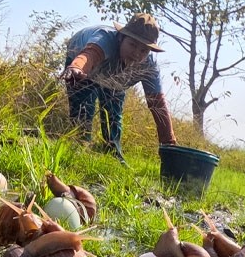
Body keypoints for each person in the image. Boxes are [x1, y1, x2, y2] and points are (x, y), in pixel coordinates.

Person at [61, 12, 177, 162]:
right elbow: (90, 55)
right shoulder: (105, 39)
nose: (136, 53)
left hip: (116, 77)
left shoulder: (149, 66)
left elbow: (157, 104)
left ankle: (114, 155)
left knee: (113, 115)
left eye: (143, 50)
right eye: (133, 45)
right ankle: (79, 148)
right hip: (84, 66)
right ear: (121, 37)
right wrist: (77, 68)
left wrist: (169, 143)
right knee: (83, 110)